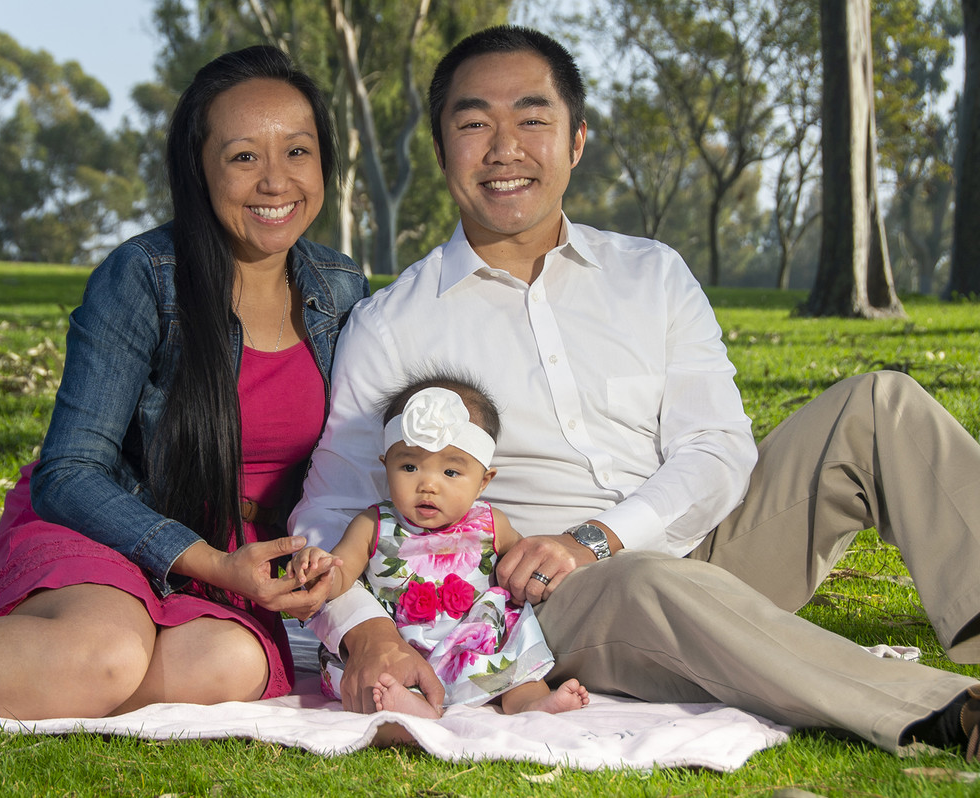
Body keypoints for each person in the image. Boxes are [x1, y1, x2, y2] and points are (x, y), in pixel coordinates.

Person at [290, 25, 980, 758]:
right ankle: (949, 713)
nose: (504, 148)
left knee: (880, 406)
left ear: (576, 140)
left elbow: (717, 447)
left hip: (704, 545)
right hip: (553, 604)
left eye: (532, 119)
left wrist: (603, 536)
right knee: (644, 578)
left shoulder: (651, 273)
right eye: (473, 124)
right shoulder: (394, 324)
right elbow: (329, 509)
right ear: (440, 151)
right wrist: (363, 631)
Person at [0, 45, 368, 719]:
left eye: (297, 151)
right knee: (108, 656)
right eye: (243, 156)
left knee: (227, 666)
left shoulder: (341, 287)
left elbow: (360, 466)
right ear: (198, 170)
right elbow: (71, 471)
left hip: (240, 571)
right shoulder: (143, 276)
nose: (275, 181)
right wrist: (206, 561)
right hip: (108, 528)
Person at [291, 375, 589, 718]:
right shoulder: (373, 525)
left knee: (513, 646)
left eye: (450, 472)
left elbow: (523, 564)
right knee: (378, 679)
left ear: (483, 482)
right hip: (402, 645)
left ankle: (527, 700)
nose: (428, 484)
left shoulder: (492, 524)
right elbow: (341, 576)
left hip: (471, 643)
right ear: (385, 466)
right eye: (409, 466)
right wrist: (320, 565)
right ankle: (411, 704)